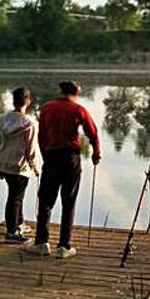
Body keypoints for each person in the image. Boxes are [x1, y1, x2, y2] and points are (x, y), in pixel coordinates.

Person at [28, 81, 100, 258]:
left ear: (60, 91)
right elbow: (93, 132)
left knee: (45, 200)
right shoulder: (79, 110)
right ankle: (64, 246)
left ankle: (42, 243)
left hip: (52, 156)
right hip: (71, 159)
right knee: (69, 201)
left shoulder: (46, 109)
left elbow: (42, 136)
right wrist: (96, 153)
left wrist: (46, 155)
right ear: (76, 93)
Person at [0, 87, 42, 244]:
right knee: (15, 198)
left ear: (14, 101)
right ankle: (11, 232)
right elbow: (31, 149)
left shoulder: (3, 119)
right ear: (28, 101)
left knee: (15, 195)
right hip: (20, 166)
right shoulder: (30, 123)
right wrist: (36, 168)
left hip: (5, 164)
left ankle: (19, 224)